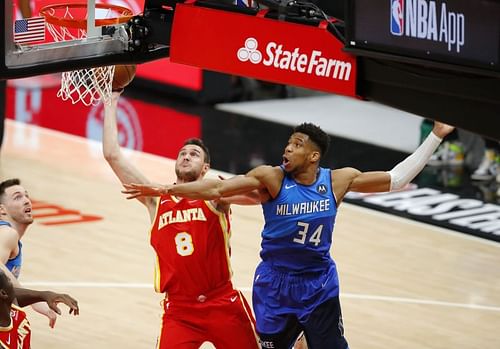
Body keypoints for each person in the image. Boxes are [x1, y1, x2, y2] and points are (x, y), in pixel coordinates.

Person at [123, 120, 454, 349]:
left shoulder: (338, 181)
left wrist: (436, 136)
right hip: (273, 285)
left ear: (313, 156)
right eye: (288, 142)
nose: (287, 148)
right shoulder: (271, 178)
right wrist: (169, 188)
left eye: (296, 144)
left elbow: (396, 178)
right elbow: (219, 188)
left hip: (317, 283)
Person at [101, 91, 259, 348]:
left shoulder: (215, 194)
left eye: (194, 154)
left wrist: (225, 188)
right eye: (182, 153)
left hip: (222, 302)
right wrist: (111, 101)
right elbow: (112, 155)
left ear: (205, 168)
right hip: (180, 310)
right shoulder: (155, 199)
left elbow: (257, 197)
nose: (186, 156)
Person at [0, 178, 65, 328]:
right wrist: (37, 297)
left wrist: (35, 301)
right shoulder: (7, 233)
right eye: (18, 197)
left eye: (26, 196)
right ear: (2, 210)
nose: (27, 201)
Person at [0, 268, 79, 348]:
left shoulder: (10, 305)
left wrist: (43, 295)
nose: (12, 281)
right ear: (3, 293)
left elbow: (14, 295)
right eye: (8, 280)